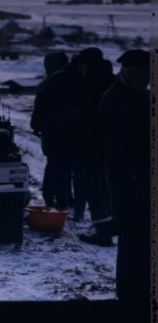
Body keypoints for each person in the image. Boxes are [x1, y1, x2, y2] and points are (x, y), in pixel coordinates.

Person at [99, 49, 150, 301]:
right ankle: (129, 297)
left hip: (138, 181)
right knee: (132, 241)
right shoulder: (115, 99)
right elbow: (122, 148)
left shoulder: (138, 95)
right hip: (128, 183)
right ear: (130, 72)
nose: (148, 79)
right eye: (144, 74)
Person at [76, 47, 116, 246]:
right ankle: (113, 226)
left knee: (94, 189)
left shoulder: (90, 84)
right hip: (113, 145)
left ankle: (103, 232)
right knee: (110, 187)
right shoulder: (113, 80)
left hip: (94, 145)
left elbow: (87, 117)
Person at [30, 52, 69, 207]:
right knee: (59, 164)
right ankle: (58, 198)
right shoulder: (73, 81)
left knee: (55, 163)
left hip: (52, 130)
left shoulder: (47, 83)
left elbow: (39, 108)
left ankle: (56, 198)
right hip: (66, 130)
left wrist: (36, 125)